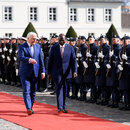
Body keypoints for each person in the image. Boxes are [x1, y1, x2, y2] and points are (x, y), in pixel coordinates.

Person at [48, 34, 77, 113]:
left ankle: (64, 106)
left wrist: (75, 71)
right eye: (60, 40)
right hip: (57, 72)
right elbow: (50, 60)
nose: (62, 42)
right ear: (58, 40)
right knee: (59, 88)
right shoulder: (54, 48)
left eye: (63, 40)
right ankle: (59, 107)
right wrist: (49, 73)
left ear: (65, 40)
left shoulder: (70, 48)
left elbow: (73, 60)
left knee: (65, 89)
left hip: (67, 72)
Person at [18, 32, 45, 115]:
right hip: (25, 72)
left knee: (33, 91)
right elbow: (21, 57)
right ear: (28, 38)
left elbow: (41, 60)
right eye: (33, 39)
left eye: (36, 39)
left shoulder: (37, 47)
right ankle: (28, 108)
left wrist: (43, 71)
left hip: (35, 72)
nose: (35, 40)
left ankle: (31, 106)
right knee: (26, 90)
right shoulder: (22, 47)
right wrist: (29, 60)